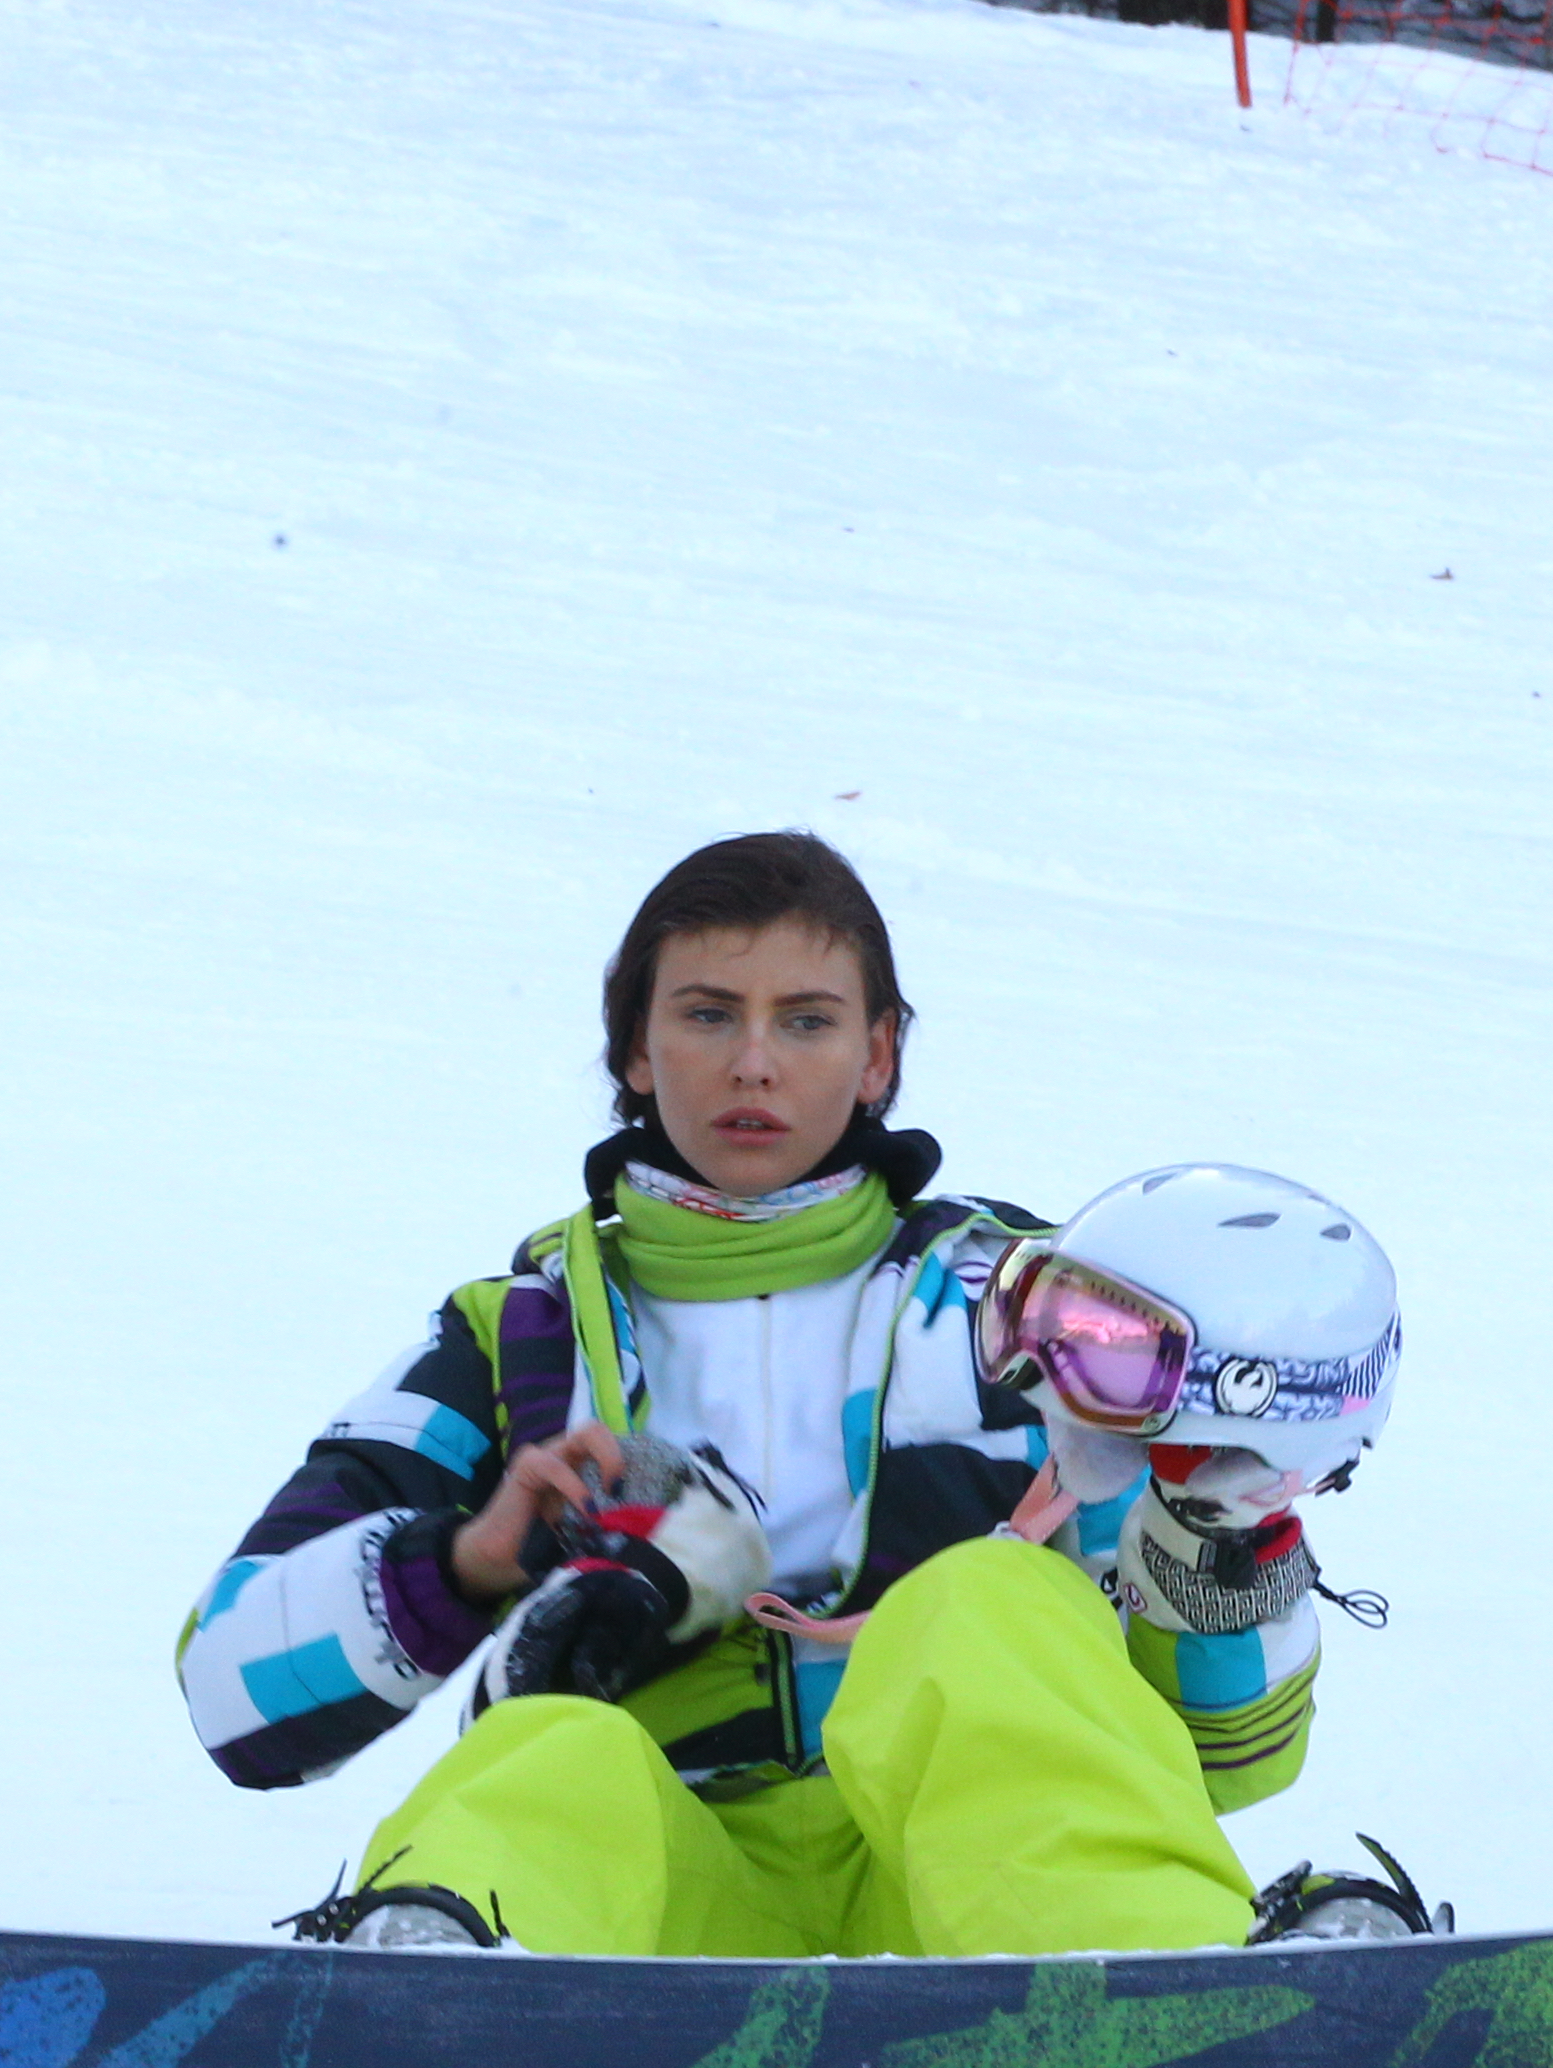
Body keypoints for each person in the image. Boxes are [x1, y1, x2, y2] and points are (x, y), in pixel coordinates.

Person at [177, 832, 1419, 1959]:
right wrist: (467, 1566)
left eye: (808, 1022)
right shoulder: (519, 1344)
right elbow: (232, 1690)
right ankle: (429, 2021)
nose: (755, 1063)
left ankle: (1188, 2001)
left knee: (989, 1601)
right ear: (635, 1051)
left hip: (982, 1903)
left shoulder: (1042, 1315)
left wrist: (1221, 1532)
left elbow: (1227, 1756)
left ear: (879, 1055)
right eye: (708, 1015)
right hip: (654, 1928)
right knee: (553, 1746)